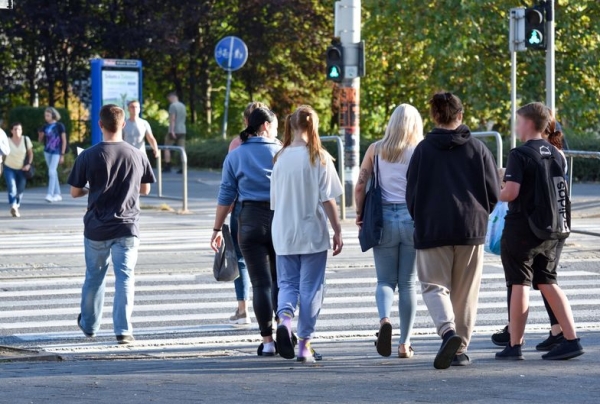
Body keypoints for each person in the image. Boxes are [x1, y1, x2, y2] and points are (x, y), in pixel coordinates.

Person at [406, 92, 499, 369]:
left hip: (432, 227)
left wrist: (420, 216)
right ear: (461, 115)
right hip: (471, 227)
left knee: (434, 286)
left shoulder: (423, 150)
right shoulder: (479, 149)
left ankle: (448, 332)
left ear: (434, 117)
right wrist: (480, 215)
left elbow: (411, 192)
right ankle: (461, 350)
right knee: (465, 292)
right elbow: (493, 191)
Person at [495, 102, 584, 361]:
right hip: (553, 229)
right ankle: (571, 339)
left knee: (519, 283)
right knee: (547, 281)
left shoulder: (519, 154)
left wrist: (492, 193)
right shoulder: (557, 153)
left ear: (528, 123)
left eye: (518, 120)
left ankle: (515, 345)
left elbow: (510, 193)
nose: (516, 125)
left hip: (523, 227)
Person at [68, 104, 156, 345]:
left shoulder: (88, 155)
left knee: (94, 278)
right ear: (124, 125)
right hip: (127, 227)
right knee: (125, 278)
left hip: (96, 227)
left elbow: (75, 192)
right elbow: (146, 189)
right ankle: (123, 331)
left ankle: (89, 325)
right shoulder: (137, 154)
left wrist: (92, 188)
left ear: (100, 125)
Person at [271, 106, 343, 363]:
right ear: (314, 126)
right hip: (312, 232)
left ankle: (285, 320)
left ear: (290, 125)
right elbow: (328, 200)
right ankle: (304, 346)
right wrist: (337, 230)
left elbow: (275, 201)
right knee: (311, 289)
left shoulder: (279, 158)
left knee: (287, 284)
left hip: (283, 230)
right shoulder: (320, 157)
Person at [210, 107, 281, 356]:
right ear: (264, 126)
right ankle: (286, 327)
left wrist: (217, 228)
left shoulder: (235, 155)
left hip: (248, 219)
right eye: (274, 125)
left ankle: (268, 342)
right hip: (280, 219)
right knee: (282, 281)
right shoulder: (281, 151)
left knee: (260, 282)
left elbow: (226, 195)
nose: (276, 130)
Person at [355, 104, 424, 359]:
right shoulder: (420, 151)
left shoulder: (376, 149)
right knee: (407, 284)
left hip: (382, 218)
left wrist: (360, 214)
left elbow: (361, 185)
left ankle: (384, 321)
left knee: (385, 281)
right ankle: (405, 344)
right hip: (412, 219)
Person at [227, 101, 268, 325]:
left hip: (242, 209)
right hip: (272, 210)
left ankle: (243, 309)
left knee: (241, 259)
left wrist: (217, 224)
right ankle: (277, 311)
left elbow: (228, 183)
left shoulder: (236, 144)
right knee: (272, 261)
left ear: (246, 121)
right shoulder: (278, 145)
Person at [3, 122, 33, 218]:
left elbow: (30, 153)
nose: (17, 131)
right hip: (9, 167)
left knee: (20, 189)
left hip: (22, 169)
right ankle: (14, 206)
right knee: (12, 187)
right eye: (15, 129)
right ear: (11, 131)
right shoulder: (7, 140)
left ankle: (17, 204)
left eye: (19, 129)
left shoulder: (25, 139)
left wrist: (28, 164)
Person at [38, 106, 67, 202]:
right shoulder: (45, 126)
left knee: (51, 171)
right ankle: (58, 194)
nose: (46, 117)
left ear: (53, 115)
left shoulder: (59, 126)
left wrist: (62, 154)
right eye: (45, 115)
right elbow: (40, 140)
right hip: (47, 151)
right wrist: (40, 135)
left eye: (48, 115)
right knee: (53, 172)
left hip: (56, 152)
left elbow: (64, 140)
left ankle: (50, 194)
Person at [163, 92, 187, 173]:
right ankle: (183, 167)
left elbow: (172, 119)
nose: (169, 100)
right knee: (182, 149)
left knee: (167, 147)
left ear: (172, 97)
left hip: (174, 130)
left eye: (169, 99)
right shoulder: (183, 106)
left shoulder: (173, 106)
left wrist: (172, 130)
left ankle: (167, 165)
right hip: (182, 130)